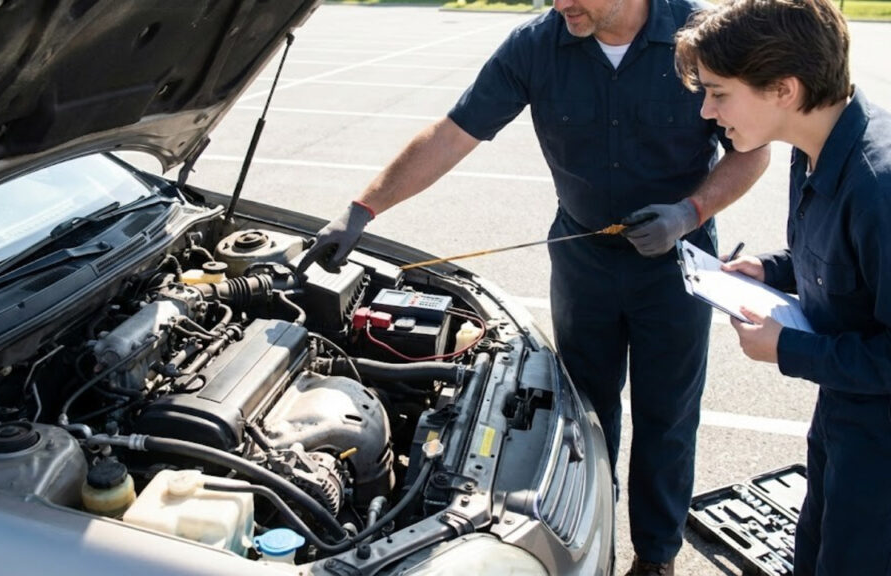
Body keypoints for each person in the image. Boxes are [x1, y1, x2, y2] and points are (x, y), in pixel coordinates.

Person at [298, 0, 770, 573]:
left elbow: (752, 152)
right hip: (583, 264)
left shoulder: (700, 37)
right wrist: (363, 208)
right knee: (584, 420)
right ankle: (597, 541)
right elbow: (452, 135)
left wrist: (689, 213)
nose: (560, 4)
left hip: (675, 266)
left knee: (667, 418)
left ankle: (656, 558)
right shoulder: (536, 47)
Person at [674, 0, 891, 573]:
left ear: (783, 90)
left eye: (719, 93)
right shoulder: (817, 145)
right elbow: (841, 257)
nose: (706, 111)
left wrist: (786, 348)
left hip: (882, 441)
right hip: (846, 410)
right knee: (815, 552)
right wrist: (771, 269)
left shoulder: (880, 189)